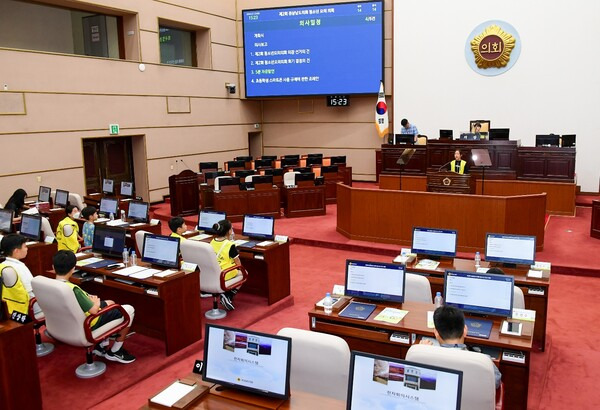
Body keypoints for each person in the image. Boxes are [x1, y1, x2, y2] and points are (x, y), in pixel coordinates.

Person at [53, 250, 136, 363]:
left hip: (67, 322)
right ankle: (116, 351)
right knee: (129, 309)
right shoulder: (72, 289)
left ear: (53, 267)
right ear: (73, 268)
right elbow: (94, 310)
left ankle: (101, 346)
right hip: (90, 322)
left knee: (110, 302)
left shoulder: (52, 285)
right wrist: (96, 303)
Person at [421, 305, 501, 389]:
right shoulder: (484, 361)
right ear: (465, 330)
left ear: (436, 333)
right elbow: (496, 381)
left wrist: (422, 353)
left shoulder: (424, 357)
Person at [0, 234, 40, 316]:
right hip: (25, 310)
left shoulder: (2, 265)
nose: (27, 249)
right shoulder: (20, 268)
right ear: (16, 251)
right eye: (25, 246)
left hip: (9, 310)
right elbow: (31, 293)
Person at [210, 219, 244, 311]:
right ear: (229, 231)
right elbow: (237, 261)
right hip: (225, 273)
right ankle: (228, 295)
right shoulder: (230, 244)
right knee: (243, 274)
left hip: (214, 272)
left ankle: (226, 295)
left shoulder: (212, 241)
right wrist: (241, 269)